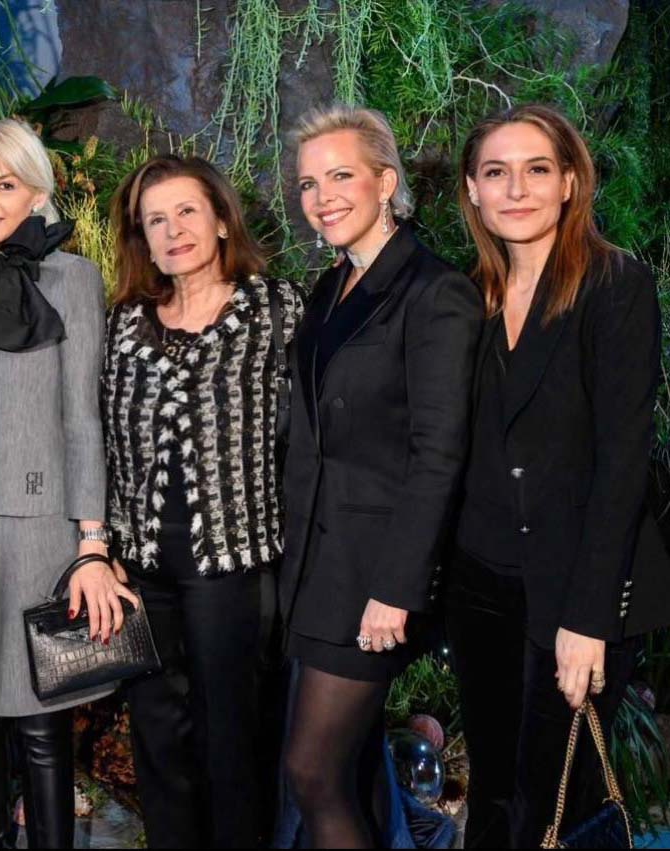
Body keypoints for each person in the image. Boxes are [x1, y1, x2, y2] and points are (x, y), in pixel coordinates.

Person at [448, 103, 670, 848]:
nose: (516, 189)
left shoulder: (614, 284)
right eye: (496, 172)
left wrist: (587, 619)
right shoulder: (472, 296)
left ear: (570, 182)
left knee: (554, 811)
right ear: (472, 190)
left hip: (576, 587)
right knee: (493, 796)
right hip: (481, 587)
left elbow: (622, 462)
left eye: (537, 169)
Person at [0, 118, 134, 849]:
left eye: (4, 185)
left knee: (41, 721)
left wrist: (92, 541)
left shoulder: (74, 278)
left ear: (37, 191)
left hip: (43, 530)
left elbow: (82, 417)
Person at [280, 105, 482, 848]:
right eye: (309, 183)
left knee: (311, 772)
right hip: (315, 562)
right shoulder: (331, 284)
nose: (321, 197)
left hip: (372, 573)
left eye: (341, 176)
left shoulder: (435, 292)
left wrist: (397, 586)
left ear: (386, 182)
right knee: (353, 766)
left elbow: (439, 455)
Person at [101, 154, 304, 848]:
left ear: (221, 219)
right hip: (142, 572)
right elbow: (101, 441)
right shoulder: (123, 324)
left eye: (187, 211)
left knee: (234, 744)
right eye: (155, 220)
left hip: (234, 566)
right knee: (158, 740)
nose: (173, 230)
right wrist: (102, 547)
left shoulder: (276, 310)